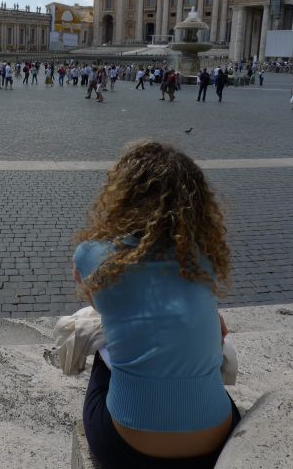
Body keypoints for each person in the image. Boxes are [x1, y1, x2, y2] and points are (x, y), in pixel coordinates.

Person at [73, 141, 240, 469]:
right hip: (214, 445)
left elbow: (99, 306)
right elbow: (216, 329)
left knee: (106, 341)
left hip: (127, 451)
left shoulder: (93, 254)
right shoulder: (203, 259)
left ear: (123, 196)